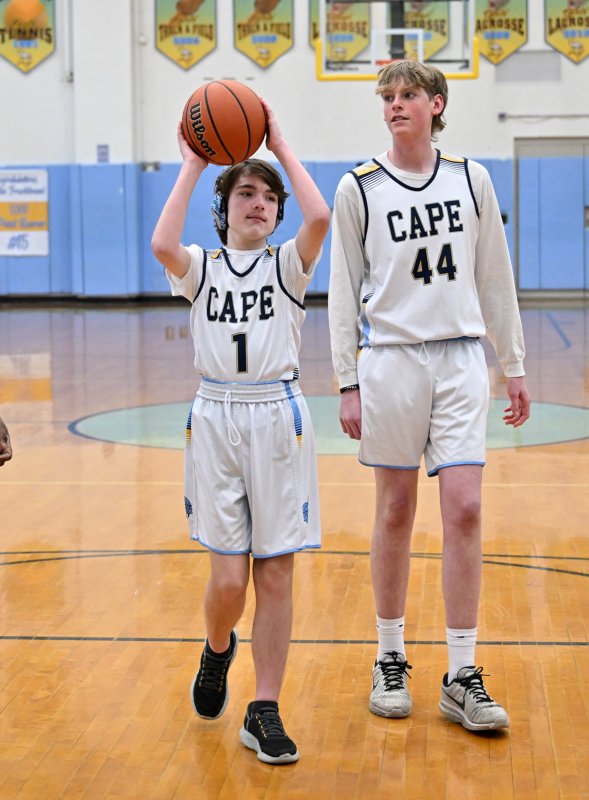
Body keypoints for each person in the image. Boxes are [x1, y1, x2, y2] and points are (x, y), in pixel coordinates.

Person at [328, 60, 530, 732]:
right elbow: (340, 291)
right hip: (388, 359)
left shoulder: (469, 178)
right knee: (394, 511)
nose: (394, 105)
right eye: (386, 96)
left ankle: (462, 673)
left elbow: (494, 277)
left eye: (408, 95)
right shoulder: (357, 187)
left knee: (466, 508)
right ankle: (390, 656)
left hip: (457, 357)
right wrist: (346, 380)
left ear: (435, 104)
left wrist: (514, 363)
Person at [151, 101, 330, 763]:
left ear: (277, 214)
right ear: (224, 209)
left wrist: (278, 143)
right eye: (244, 193)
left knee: (275, 576)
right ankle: (217, 648)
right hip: (216, 417)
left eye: (267, 198)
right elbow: (161, 244)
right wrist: (197, 162)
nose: (257, 203)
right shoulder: (201, 267)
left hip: (277, 416)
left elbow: (320, 216)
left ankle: (265, 708)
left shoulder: (289, 265)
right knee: (229, 583)